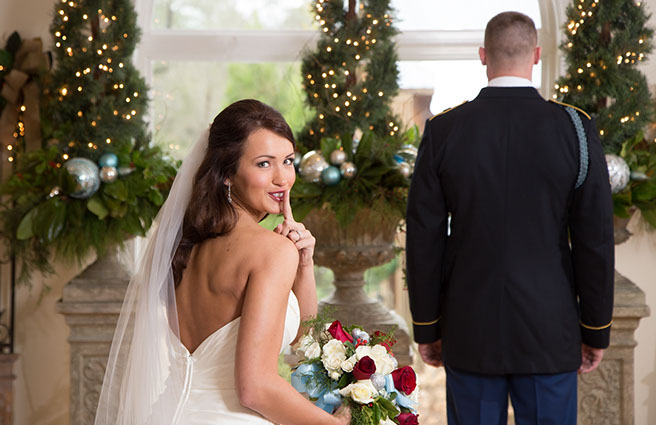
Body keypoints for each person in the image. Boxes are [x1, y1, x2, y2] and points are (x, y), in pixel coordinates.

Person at [405, 12, 614, 425]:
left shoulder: (445, 129)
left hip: (470, 330)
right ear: (536, 55)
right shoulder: (575, 127)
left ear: (483, 55)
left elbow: (424, 237)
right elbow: (594, 240)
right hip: (549, 331)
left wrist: (427, 327)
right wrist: (595, 330)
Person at [95, 99, 350, 425]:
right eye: (263, 164)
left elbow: (303, 342)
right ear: (227, 174)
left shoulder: (182, 247)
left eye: (287, 161)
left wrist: (303, 264)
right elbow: (255, 389)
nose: (282, 178)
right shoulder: (270, 252)